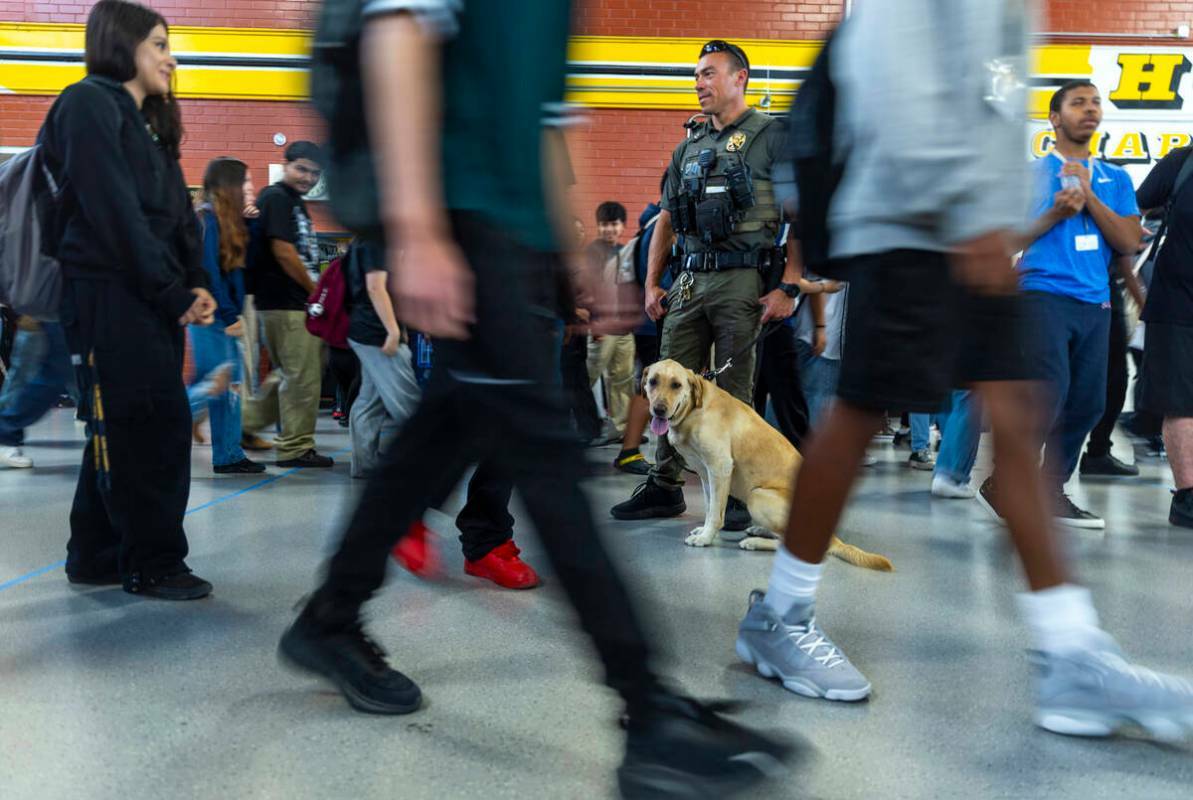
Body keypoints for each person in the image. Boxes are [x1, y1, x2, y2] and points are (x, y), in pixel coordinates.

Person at [280, 3, 794, 794]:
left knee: (439, 436)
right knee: (548, 462)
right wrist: (416, 229)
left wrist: (569, 261)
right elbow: (396, 32)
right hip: (465, 226)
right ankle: (647, 711)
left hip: (512, 239)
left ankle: (328, 618)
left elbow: (543, 125)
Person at [735, 1, 1193, 740]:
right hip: (904, 227)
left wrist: (994, 222)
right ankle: (779, 615)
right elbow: (888, 84)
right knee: (856, 419)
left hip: (976, 239)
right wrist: (961, 217)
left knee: (1018, 420)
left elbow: (987, 113)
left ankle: (1070, 654)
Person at [40, 0, 215, 599]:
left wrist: (196, 282)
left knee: (125, 424)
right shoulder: (88, 103)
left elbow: (178, 217)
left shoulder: (150, 121)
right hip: (107, 294)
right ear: (124, 45)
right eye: (159, 45)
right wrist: (172, 293)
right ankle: (153, 563)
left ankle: (94, 554)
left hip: (148, 295)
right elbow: (111, 213)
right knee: (150, 425)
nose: (171, 58)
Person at [612, 39, 802, 533]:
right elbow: (667, 221)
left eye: (710, 73)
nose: (699, 83)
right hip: (690, 279)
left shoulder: (772, 137)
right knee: (667, 381)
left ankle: (738, 495)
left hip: (743, 277)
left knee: (734, 393)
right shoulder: (689, 146)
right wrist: (652, 284)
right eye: (696, 74)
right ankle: (663, 483)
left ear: (740, 78)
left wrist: (790, 285)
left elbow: (801, 215)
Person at [981, 80, 1142, 530]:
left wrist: (1089, 198)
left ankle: (1048, 489)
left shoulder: (1116, 178)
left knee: (1089, 402)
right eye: (1078, 103)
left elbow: (1128, 241)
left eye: (1095, 103)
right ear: (1055, 117)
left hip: (1097, 302)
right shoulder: (1028, 176)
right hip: (1042, 296)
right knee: (1045, 395)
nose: (1090, 110)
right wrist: (1054, 213)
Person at [241, 140, 335, 468]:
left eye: (314, 173)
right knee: (302, 377)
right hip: (288, 302)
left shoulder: (292, 201)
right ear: (286, 165)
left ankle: (245, 424)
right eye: (302, 169)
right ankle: (295, 447)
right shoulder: (277, 198)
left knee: (288, 374)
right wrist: (315, 292)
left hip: (287, 302)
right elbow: (283, 250)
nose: (307, 177)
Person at [186, 157, 265, 474]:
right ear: (229, 185)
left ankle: (229, 454)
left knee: (228, 386)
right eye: (246, 181)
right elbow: (208, 275)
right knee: (215, 384)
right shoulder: (206, 219)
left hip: (222, 314)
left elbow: (244, 267)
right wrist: (231, 315)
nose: (251, 187)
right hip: (212, 317)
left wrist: (253, 224)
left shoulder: (227, 220)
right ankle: (153, 424)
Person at [1136, 143, 1193, 528]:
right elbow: (1130, 212)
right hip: (1178, 301)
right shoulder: (1181, 163)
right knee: (1180, 402)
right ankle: (1188, 497)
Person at [585, 201, 637, 440]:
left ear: (622, 226)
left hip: (623, 328)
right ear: (598, 226)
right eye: (605, 225)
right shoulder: (591, 253)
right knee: (587, 376)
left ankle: (620, 429)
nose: (609, 230)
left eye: (614, 225)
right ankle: (575, 426)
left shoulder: (625, 252)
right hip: (601, 327)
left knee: (623, 379)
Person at [0, 317, 73, 469]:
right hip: (46, 311)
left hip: (50, 310)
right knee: (50, 376)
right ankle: (4, 434)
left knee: (60, 374)